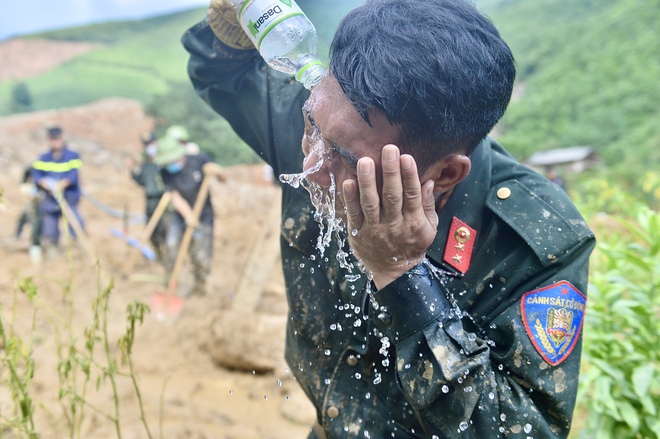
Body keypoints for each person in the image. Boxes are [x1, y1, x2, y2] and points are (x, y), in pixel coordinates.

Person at [183, 0, 596, 437]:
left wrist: (401, 273)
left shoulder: (534, 239)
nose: (311, 167)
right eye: (310, 124)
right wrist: (230, 27)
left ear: (445, 174)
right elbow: (222, 73)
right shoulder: (331, 129)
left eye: (346, 160)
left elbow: (525, 429)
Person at [154, 133, 226, 296]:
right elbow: (175, 196)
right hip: (179, 215)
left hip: (204, 215)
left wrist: (218, 171)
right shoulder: (165, 172)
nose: (169, 165)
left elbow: (224, 179)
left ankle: (199, 287)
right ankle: (170, 283)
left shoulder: (199, 159)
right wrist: (188, 216)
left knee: (201, 256)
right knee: (172, 245)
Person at [31, 126, 85, 254]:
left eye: (58, 139)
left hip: (68, 197)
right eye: (53, 139)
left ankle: (80, 250)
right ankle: (52, 252)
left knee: (76, 224)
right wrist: (42, 182)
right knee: (49, 228)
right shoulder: (43, 157)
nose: (56, 142)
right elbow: (36, 175)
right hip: (50, 200)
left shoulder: (72, 156)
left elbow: (74, 174)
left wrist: (64, 183)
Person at [127, 131, 168, 262]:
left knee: (165, 230)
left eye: (150, 143)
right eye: (146, 144)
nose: (148, 147)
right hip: (150, 201)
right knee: (152, 232)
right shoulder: (145, 164)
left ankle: (170, 257)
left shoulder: (163, 161)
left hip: (163, 201)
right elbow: (141, 181)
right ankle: (160, 257)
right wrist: (133, 169)